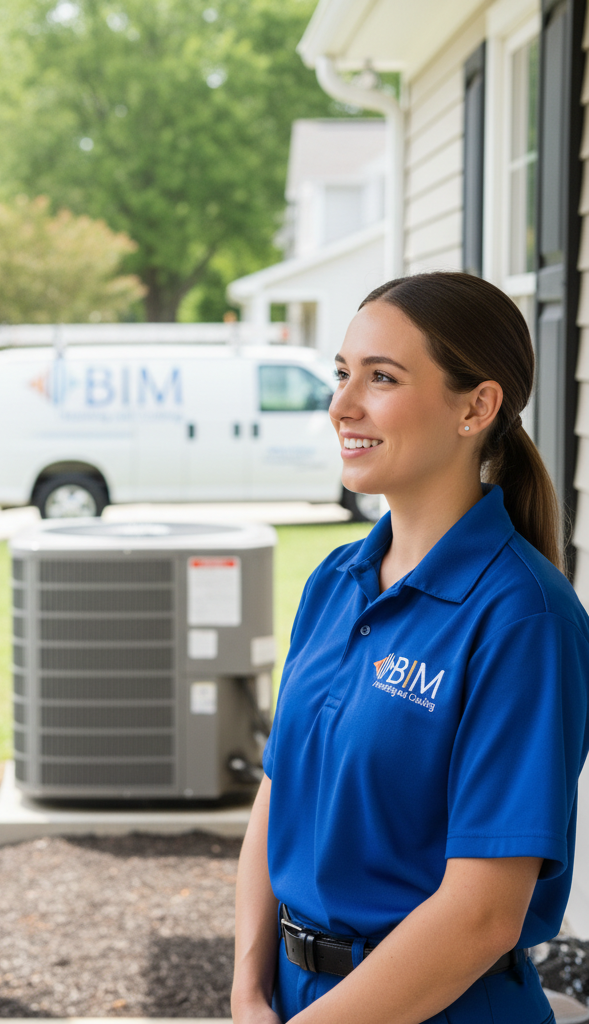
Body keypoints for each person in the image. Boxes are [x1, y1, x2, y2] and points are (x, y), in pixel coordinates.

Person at [231, 272, 589, 1024]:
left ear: (477, 407)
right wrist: (247, 991)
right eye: (342, 374)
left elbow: (481, 916)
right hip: (293, 998)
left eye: (382, 378)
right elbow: (279, 792)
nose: (342, 405)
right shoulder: (335, 580)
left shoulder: (523, 620)